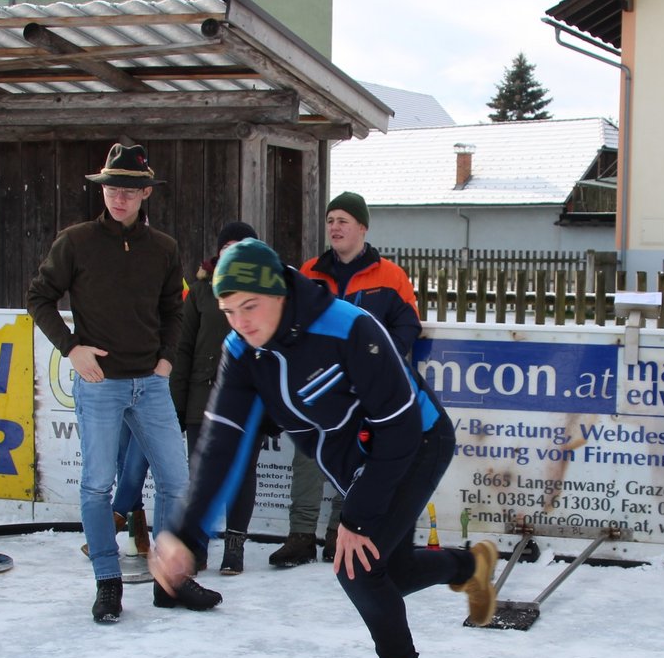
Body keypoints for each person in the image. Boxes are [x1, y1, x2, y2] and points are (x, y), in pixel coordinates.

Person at [152, 239, 498, 658]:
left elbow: (398, 429)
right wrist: (186, 534)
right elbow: (221, 445)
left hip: (416, 441)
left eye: (250, 306)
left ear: (278, 292)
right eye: (229, 311)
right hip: (355, 460)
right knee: (391, 573)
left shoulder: (349, 328)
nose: (241, 322)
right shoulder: (243, 351)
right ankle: (470, 565)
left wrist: (356, 517)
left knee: (357, 565)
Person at [26, 142, 222, 623]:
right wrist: (71, 347)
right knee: (97, 485)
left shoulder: (164, 248)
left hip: (150, 384)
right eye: (112, 188)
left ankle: (168, 580)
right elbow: (39, 297)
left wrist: (166, 359)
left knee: (176, 482)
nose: (119, 197)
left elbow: (173, 310)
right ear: (102, 190)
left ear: (146, 193)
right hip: (100, 383)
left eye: (130, 191)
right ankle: (108, 582)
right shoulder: (76, 241)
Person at [267, 190, 423, 568]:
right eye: (330, 220)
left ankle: (340, 530)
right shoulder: (309, 272)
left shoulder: (391, 276)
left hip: (367, 390)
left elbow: (408, 325)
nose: (335, 227)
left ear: (362, 228)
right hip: (318, 386)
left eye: (343, 221)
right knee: (308, 457)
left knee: (356, 460)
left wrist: (378, 362)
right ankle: (301, 534)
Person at [173, 220, 262, 575]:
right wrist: (178, 403)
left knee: (242, 473)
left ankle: (235, 546)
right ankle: (196, 546)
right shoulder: (199, 292)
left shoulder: (267, 295)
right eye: (228, 247)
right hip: (202, 397)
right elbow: (183, 349)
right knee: (201, 475)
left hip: (249, 401)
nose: (233, 254)